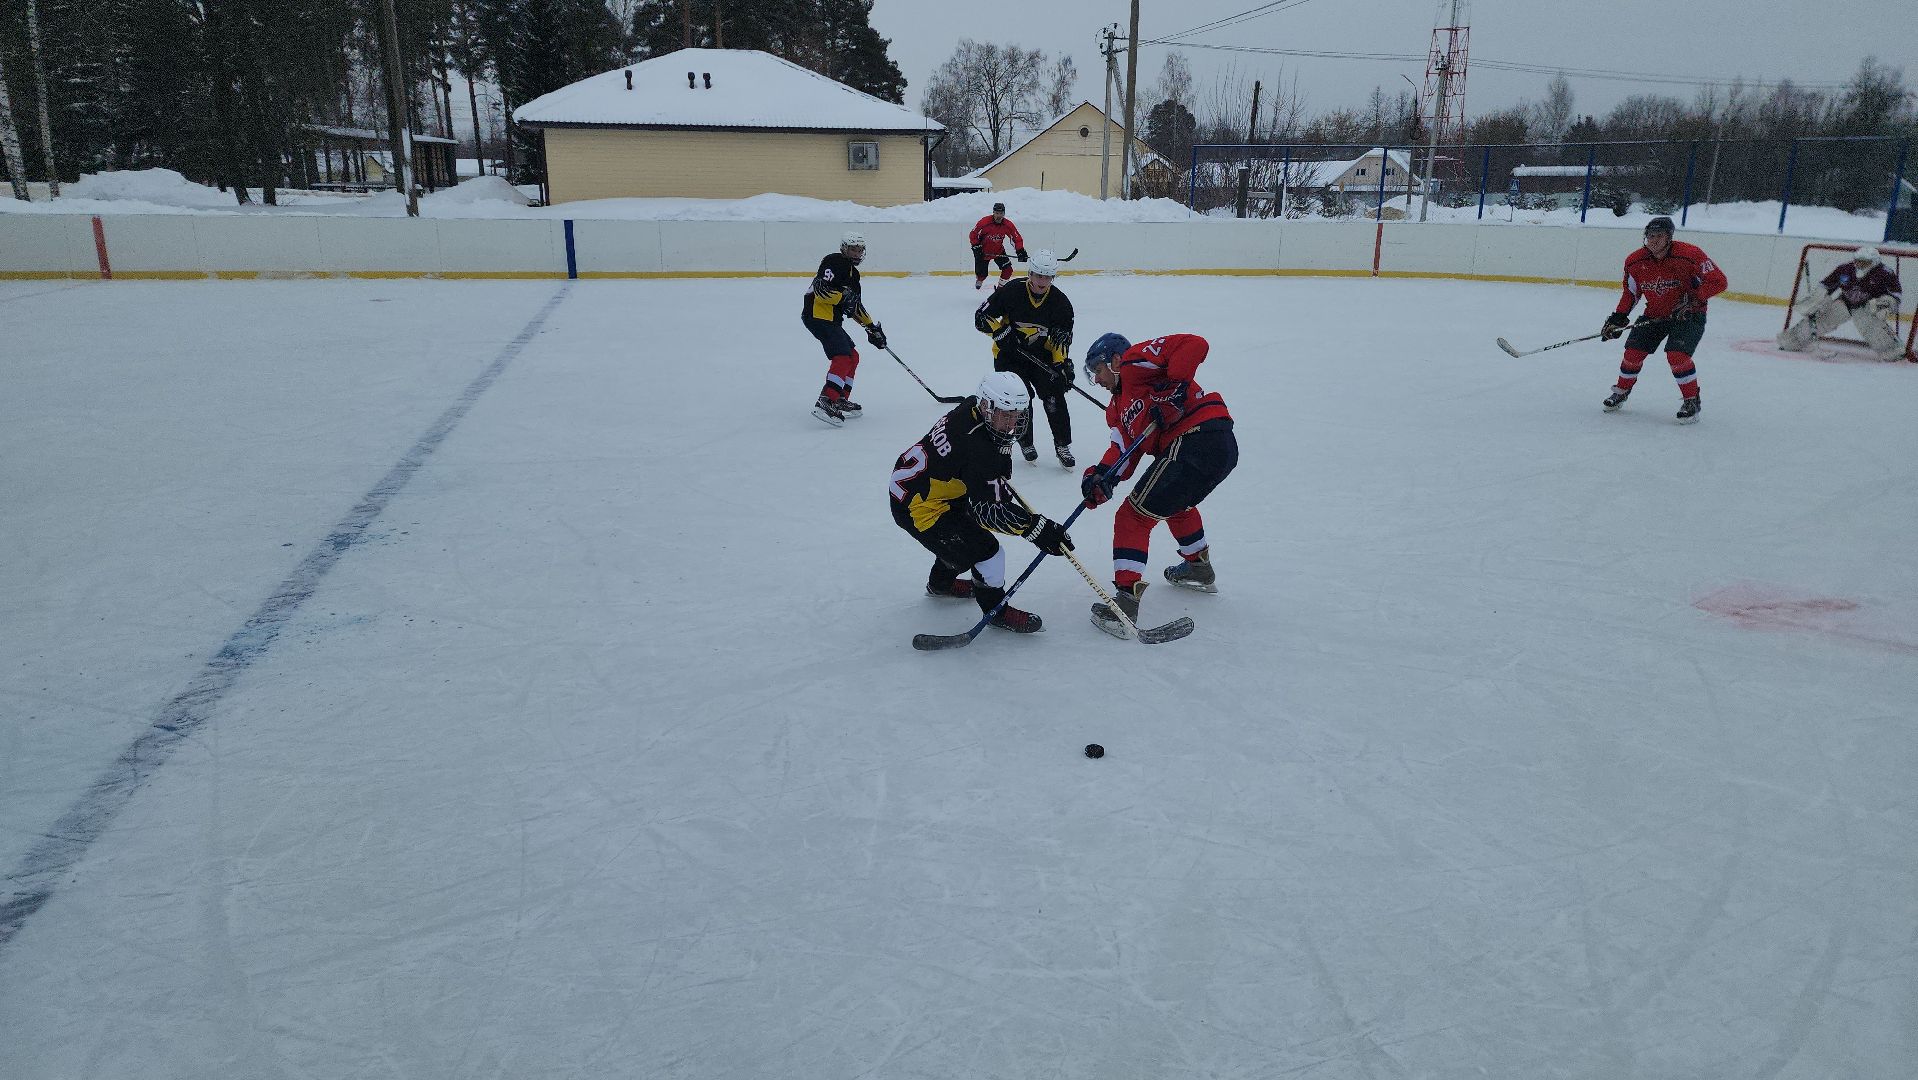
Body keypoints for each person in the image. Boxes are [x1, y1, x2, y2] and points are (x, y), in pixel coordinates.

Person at [890, 372, 1075, 634]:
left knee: (959, 544)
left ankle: (940, 584)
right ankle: (996, 610)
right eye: (1005, 414)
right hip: (919, 507)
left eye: (1017, 415)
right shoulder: (976, 449)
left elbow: (982, 459)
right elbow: (989, 513)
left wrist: (996, 470)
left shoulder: (970, 407)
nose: (1012, 423)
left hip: (923, 488)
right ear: (987, 406)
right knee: (988, 552)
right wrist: (1037, 529)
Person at [1078, 333, 1237, 639]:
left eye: (1097, 370)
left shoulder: (1134, 362)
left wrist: (1175, 388)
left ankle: (1125, 603)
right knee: (1174, 505)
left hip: (1197, 436)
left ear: (1115, 360)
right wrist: (1100, 477)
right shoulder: (1117, 410)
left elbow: (1194, 344)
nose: (1096, 379)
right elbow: (1123, 452)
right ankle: (1199, 567)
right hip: (1215, 447)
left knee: (1132, 517)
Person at [1598, 216, 1728, 424]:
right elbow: (1631, 293)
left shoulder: (1690, 254)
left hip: (1688, 314)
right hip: (1655, 314)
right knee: (1632, 352)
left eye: (1659, 235)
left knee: (1677, 355)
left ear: (1669, 237)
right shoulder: (1635, 261)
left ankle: (1691, 401)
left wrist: (1694, 299)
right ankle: (1621, 391)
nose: (1654, 240)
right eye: (1650, 236)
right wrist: (1619, 317)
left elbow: (1718, 281)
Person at [973, 249, 1077, 467]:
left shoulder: (1061, 303)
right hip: (1009, 355)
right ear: (1030, 274)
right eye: (1038, 275)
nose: (1042, 281)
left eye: (1047, 277)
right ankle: (1025, 441)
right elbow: (981, 316)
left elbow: (1061, 341)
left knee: (1054, 396)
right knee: (1020, 398)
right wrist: (1000, 333)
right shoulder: (1012, 291)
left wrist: (1061, 365)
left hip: (1042, 357)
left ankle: (1062, 444)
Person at [802, 231, 886, 424]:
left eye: (860, 250)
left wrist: (871, 327)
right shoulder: (833, 261)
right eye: (853, 249)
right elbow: (821, 291)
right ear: (844, 249)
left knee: (853, 356)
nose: (857, 253)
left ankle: (839, 399)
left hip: (831, 319)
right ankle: (826, 400)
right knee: (842, 357)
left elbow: (854, 306)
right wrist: (842, 297)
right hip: (817, 315)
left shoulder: (854, 275)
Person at [1776, 245, 1905, 361]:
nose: (1859, 264)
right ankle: (1791, 341)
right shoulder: (1845, 269)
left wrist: (1886, 304)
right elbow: (1826, 285)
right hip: (1845, 302)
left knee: (1869, 324)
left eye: (1864, 262)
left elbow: (1896, 295)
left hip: (1867, 306)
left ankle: (1893, 351)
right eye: (1857, 260)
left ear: (1874, 262)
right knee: (1823, 319)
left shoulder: (1884, 273)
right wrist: (1817, 299)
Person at [968, 202, 1026, 290]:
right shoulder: (984, 222)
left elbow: (1016, 238)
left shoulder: (1007, 225)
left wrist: (1020, 250)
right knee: (982, 275)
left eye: (1001, 213)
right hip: (983, 252)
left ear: (1004, 214)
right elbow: (973, 234)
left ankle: (1000, 290)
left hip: (998, 251)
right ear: (993, 212)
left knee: (1008, 270)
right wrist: (976, 246)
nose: (999, 216)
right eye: (997, 213)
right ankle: (980, 279)